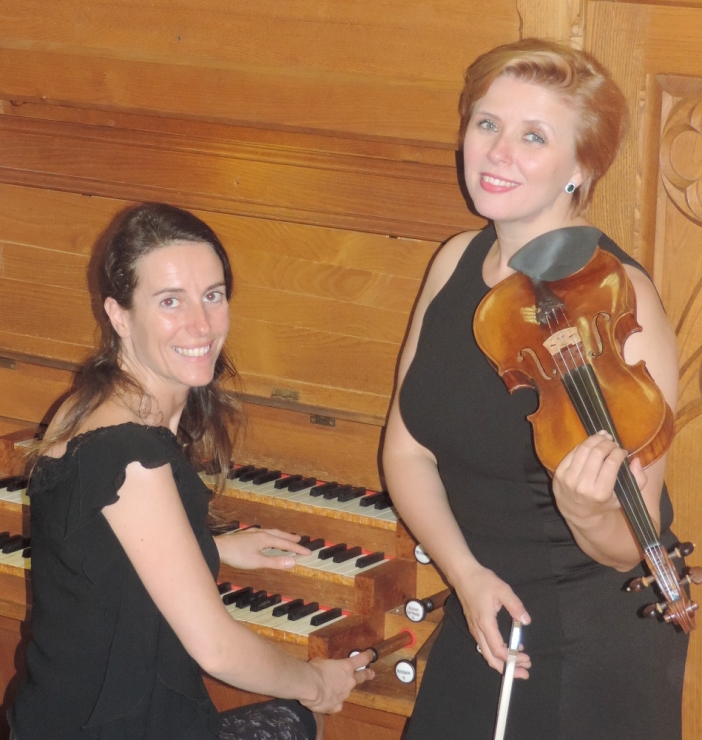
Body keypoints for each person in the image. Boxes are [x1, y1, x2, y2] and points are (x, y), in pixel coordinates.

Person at [382, 39, 688, 740]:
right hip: (481, 607)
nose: (497, 152)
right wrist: (464, 577)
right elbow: (405, 451)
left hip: (587, 640)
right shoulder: (455, 260)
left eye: (533, 136)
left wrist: (586, 513)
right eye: (486, 124)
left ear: (580, 167)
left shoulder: (619, 301)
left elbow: (628, 545)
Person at [8, 203, 374, 740]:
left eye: (213, 295)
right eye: (170, 301)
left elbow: (101, 547)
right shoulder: (131, 454)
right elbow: (217, 649)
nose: (201, 324)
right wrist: (315, 681)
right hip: (120, 727)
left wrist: (211, 548)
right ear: (118, 314)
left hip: (57, 717)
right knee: (304, 718)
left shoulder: (88, 404)